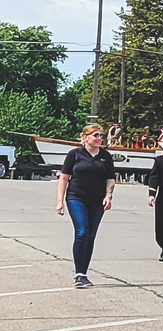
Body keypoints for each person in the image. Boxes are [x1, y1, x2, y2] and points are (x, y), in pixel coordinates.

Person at [56, 123, 117, 287]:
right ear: (85, 137)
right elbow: (64, 178)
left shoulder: (105, 156)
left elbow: (110, 177)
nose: (99, 138)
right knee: (82, 231)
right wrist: (59, 201)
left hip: (97, 200)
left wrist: (108, 195)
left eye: (101, 136)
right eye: (96, 135)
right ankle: (78, 274)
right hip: (76, 198)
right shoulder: (74, 155)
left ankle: (84, 273)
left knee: (90, 235)